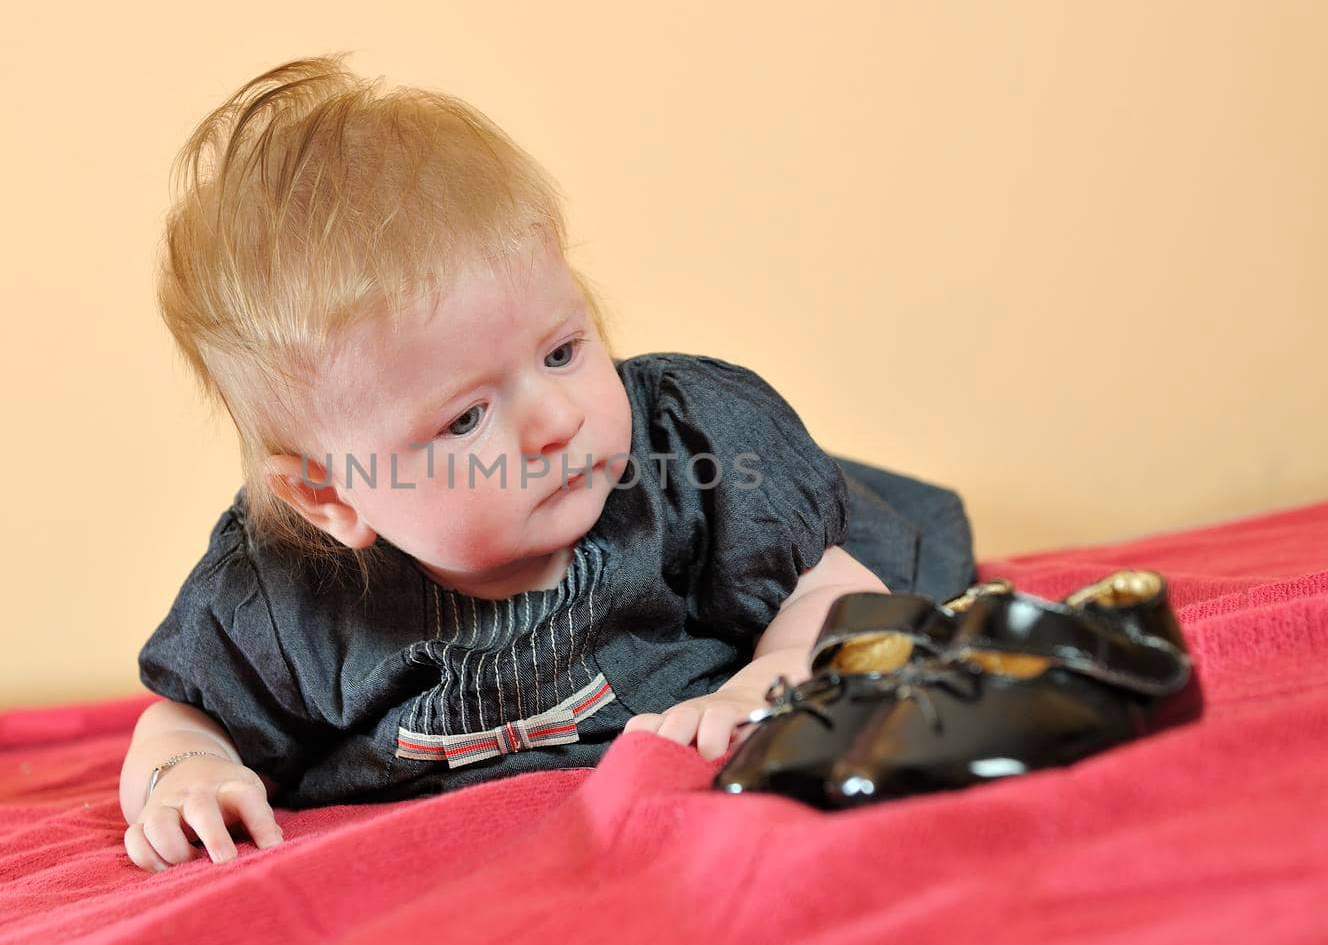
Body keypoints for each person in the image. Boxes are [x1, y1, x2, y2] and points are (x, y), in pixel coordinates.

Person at [119, 53, 976, 873]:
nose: (557, 420)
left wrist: (775, 673)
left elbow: (831, 586)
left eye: (563, 352)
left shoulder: (687, 468)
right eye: (467, 416)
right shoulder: (281, 601)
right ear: (327, 492)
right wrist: (184, 774)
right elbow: (184, 716)